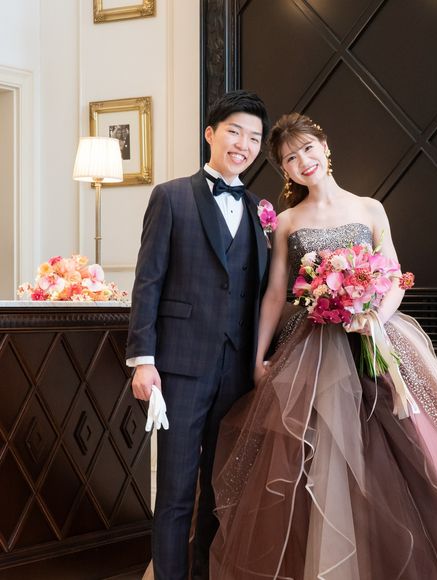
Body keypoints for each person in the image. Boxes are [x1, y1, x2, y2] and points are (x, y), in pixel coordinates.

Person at [209, 113, 437, 579]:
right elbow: (276, 293)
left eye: (307, 149)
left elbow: (394, 276)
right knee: (320, 459)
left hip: (377, 337)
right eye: (290, 158)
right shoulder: (288, 222)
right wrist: (259, 357)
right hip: (315, 348)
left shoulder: (369, 208)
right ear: (285, 170)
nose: (302, 161)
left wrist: (373, 315)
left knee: (412, 453)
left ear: (325, 147)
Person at [126, 90, 270, 580]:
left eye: (254, 138)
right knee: (175, 492)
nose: (244, 145)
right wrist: (143, 359)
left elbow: (262, 291)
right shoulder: (170, 196)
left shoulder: (260, 209)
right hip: (179, 368)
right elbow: (148, 281)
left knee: (220, 493)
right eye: (235, 132)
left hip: (238, 372)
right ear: (210, 133)